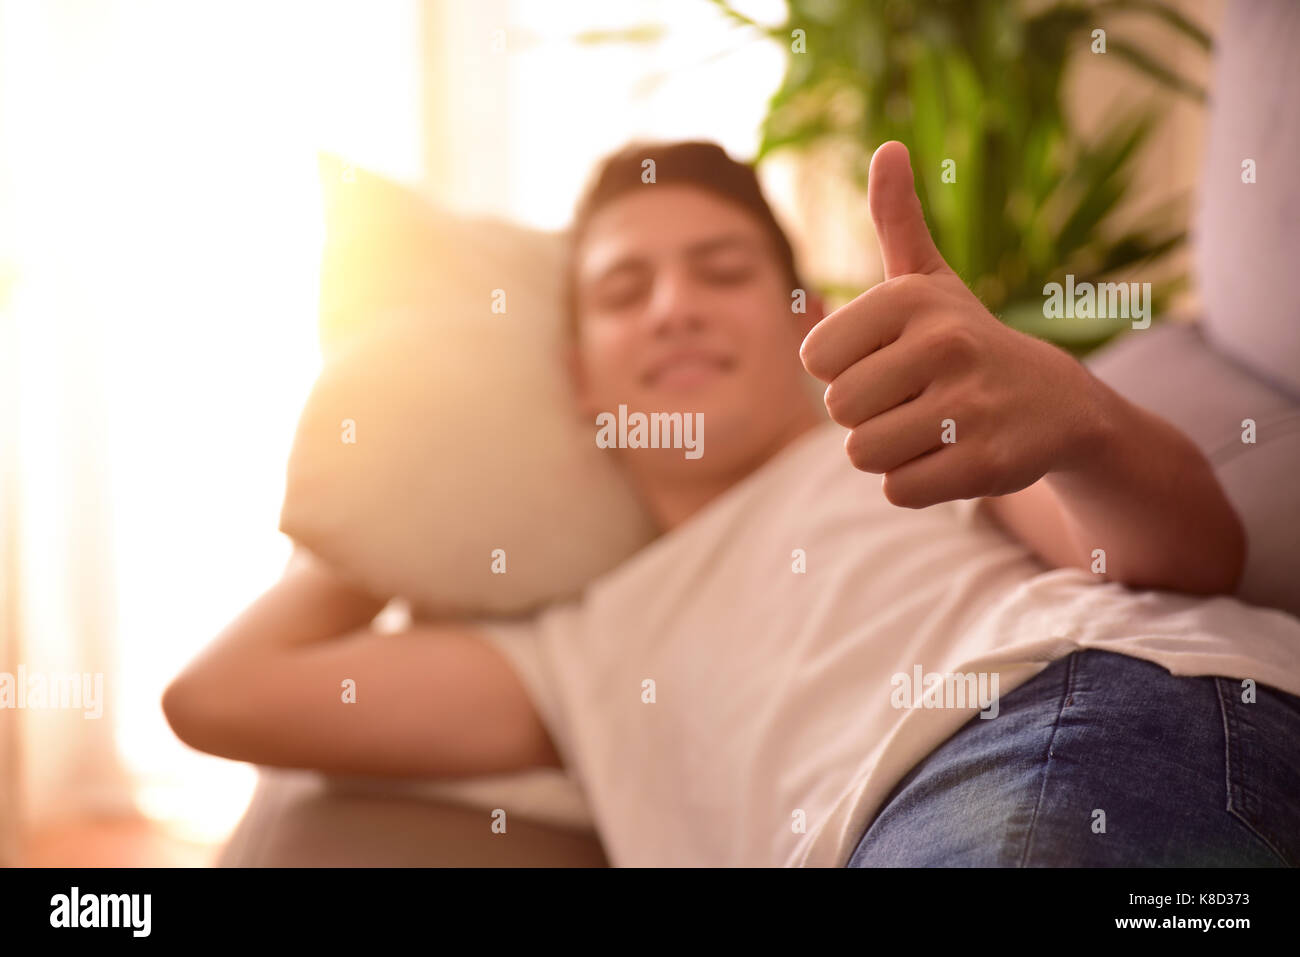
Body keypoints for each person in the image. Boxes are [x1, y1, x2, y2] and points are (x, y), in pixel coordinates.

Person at [163, 140, 1300, 867]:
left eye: (720, 271)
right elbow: (217, 699)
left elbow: (1186, 557)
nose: (674, 310)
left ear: (803, 313)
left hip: (1099, 732)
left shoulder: (911, 457)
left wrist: (1081, 421)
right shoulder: (572, 654)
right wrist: (397, 496)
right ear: (577, 375)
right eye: (624, 289)